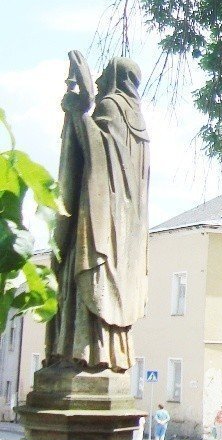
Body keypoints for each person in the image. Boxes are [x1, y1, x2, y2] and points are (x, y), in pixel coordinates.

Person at [47, 51, 150, 371]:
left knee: (82, 278)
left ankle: (79, 350)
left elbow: (97, 153)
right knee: (104, 283)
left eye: (106, 74)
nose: (102, 79)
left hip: (99, 221)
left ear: (117, 79)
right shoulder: (140, 126)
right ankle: (106, 353)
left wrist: (80, 112)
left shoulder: (111, 107)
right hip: (124, 233)